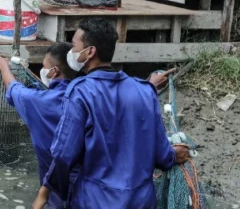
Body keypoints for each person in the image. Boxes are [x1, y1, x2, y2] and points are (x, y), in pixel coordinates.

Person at [36, 18, 190, 209]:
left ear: (90, 52)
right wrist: (174, 156)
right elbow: (161, 154)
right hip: (141, 201)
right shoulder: (144, 90)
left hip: (95, 201)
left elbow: (63, 154)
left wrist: (46, 193)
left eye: (74, 46)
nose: (71, 52)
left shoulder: (80, 92)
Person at [0, 44, 77, 186]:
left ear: (54, 72)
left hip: (57, 183)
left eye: (44, 66)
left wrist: (3, 66)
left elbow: (13, 88)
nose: (42, 70)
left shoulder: (40, 102)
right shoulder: (86, 95)